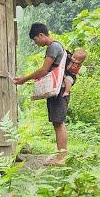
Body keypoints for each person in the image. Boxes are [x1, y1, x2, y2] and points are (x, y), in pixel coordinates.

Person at [12, 23, 69, 166]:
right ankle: (60, 156)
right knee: (57, 122)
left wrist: (24, 79)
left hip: (59, 90)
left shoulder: (53, 47)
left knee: (58, 123)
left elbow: (44, 70)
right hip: (59, 89)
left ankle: (61, 158)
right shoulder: (55, 46)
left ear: (41, 35)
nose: (35, 43)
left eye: (35, 39)